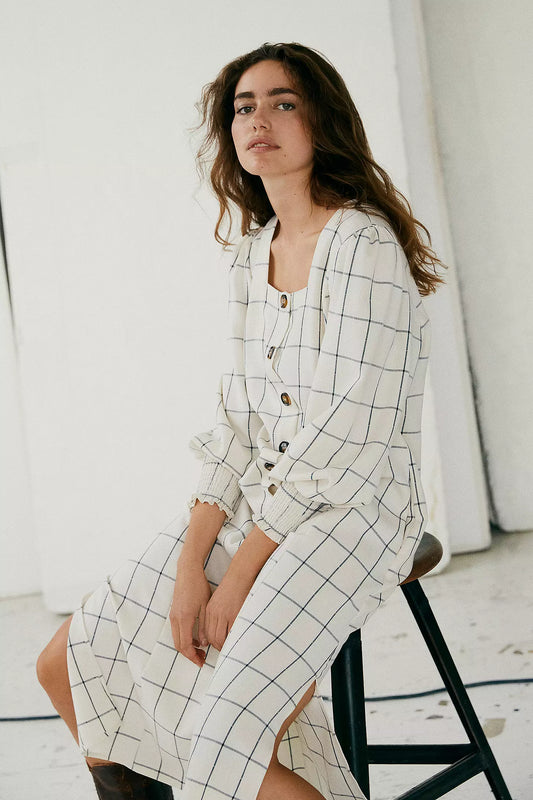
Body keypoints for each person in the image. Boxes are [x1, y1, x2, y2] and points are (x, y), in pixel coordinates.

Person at [36, 41, 446, 800]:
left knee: (223, 734)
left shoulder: (362, 245)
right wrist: (191, 565)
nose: (259, 120)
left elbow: (345, 439)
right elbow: (235, 424)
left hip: (358, 512)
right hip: (266, 505)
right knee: (68, 660)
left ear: (322, 121)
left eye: (283, 102)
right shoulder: (251, 256)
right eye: (243, 107)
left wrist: (238, 579)